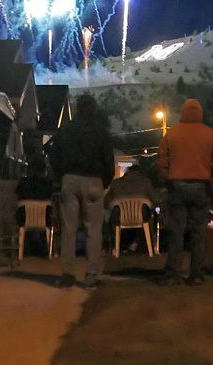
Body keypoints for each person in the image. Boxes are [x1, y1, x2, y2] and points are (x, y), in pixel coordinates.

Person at [50, 93, 114, 289]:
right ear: (93, 109)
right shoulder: (101, 132)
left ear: (78, 108)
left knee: (68, 230)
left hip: (69, 179)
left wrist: (61, 178)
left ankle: (68, 274)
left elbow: (54, 158)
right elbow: (109, 162)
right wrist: (104, 182)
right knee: (93, 230)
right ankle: (91, 275)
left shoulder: (65, 130)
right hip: (94, 181)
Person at [156, 98, 213, 285]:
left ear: (182, 112)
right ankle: (196, 274)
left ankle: (173, 273)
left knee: (176, 231)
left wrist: (167, 182)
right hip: (201, 186)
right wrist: (211, 186)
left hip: (177, 186)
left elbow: (162, 162)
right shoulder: (210, 135)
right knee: (199, 232)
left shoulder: (171, 133)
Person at [105, 164, 162, 253]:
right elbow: (156, 200)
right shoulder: (145, 182)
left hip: (119, 218)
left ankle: (114, 247)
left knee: (110, 215)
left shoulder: (116, 183)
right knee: (150, 215)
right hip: (141, 217)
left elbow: (106, 202)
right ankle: (145, 246)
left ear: (127, 172)